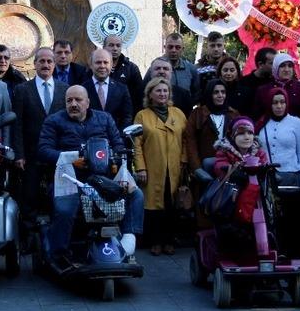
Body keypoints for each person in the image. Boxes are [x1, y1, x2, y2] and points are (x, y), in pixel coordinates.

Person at [39, 85, 143, 268]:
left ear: (87, 102)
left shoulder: (105, 118)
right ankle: (59, 254)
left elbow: (118, 145)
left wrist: (115, 159)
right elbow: (43, 150)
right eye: (69, 100)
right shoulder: (53, 121)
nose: (73, 104)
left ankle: (128, 238)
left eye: (78, 100)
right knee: (64, 209)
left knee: (136, 195)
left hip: (104, 178)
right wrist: (70, 160)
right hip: (69, 178)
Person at [11, 48, 68, 227]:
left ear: (54, 64)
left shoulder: (64, 89)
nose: (45, 65)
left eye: (49, 61)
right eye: (41, 61)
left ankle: (53, 238)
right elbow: (17, 124)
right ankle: (29, 238)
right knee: (29, 197)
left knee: (56, 195)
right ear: (35, 64)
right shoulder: (22, 90)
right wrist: (19, 154)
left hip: (57, 154)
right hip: (30, 154)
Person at [132, 78, 187, 256]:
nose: (162, 94)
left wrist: (185, 162)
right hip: (153, 167)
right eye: (158, 91)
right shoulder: (142, 115)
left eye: (165, 91)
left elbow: (186, 140)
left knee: (172, 205)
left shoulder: (178, 113)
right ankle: (155, 241)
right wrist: (140, 168)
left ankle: (169, 240)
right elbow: (136, 144)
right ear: (150, 94)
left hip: (175, 167)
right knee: (154, 206)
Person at [257, 88, 300, 256]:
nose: (279, 106)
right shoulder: (261, 124)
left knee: (292, 217)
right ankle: (274, 250)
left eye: (282, 102)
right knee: (272, 217)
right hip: (268, 179)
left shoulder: (297, 123)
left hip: (292, 176)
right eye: (275, 103)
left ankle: (295, 251)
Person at [212, 118, 269, 254]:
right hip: (233, 195)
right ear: (233, 135)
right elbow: (219, 166)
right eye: (242, 133)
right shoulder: (225, 151)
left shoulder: (259, 152)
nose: (247, 137)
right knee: (231, 225)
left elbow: (265, 165)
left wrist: (265, 170)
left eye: (250, 133)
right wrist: (232, 170)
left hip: (257, 196)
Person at [186, 79, 240, 181]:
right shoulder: (198, 114)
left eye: (223, 92)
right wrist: (197, 168)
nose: (220, 95)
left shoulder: (233, 114)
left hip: (230, 167)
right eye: (216, 92)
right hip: (205, 167)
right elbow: (190, 142)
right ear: (209, 94)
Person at [255, 52, 300, 127]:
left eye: (290, 66)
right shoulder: (263, 90)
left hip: (297, 132)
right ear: (276, 67)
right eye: (282, 66)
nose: (287, 69)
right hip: (271, 133)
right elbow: (258, 116)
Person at [82, 49, 133, 130]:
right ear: (91, 65)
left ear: (111, 64)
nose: (102, 66)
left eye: (106, 62)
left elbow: (127, 118)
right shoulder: (82, 89)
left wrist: (118, 139)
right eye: (98, 62)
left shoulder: (122, 89)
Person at [144, 32, 200, 98]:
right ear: (164, 47)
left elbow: (196, 93)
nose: (173, 50)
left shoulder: (191, 69)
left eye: (177, 47)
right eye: (170, 47)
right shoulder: (155, 69)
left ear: (183, 49)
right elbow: (144, 91)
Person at [104, 35, 144, 115]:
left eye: (118, 45)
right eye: (111, 45)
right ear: (104, 47)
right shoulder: (96, 67)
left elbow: (139, 97)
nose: (115, 49)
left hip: (125, 117)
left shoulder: (132, 69)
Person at [238, 47, 276, 119]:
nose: (275, 66)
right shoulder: (244, 82)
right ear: (260, 64)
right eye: (271, 63)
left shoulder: (275, 82)